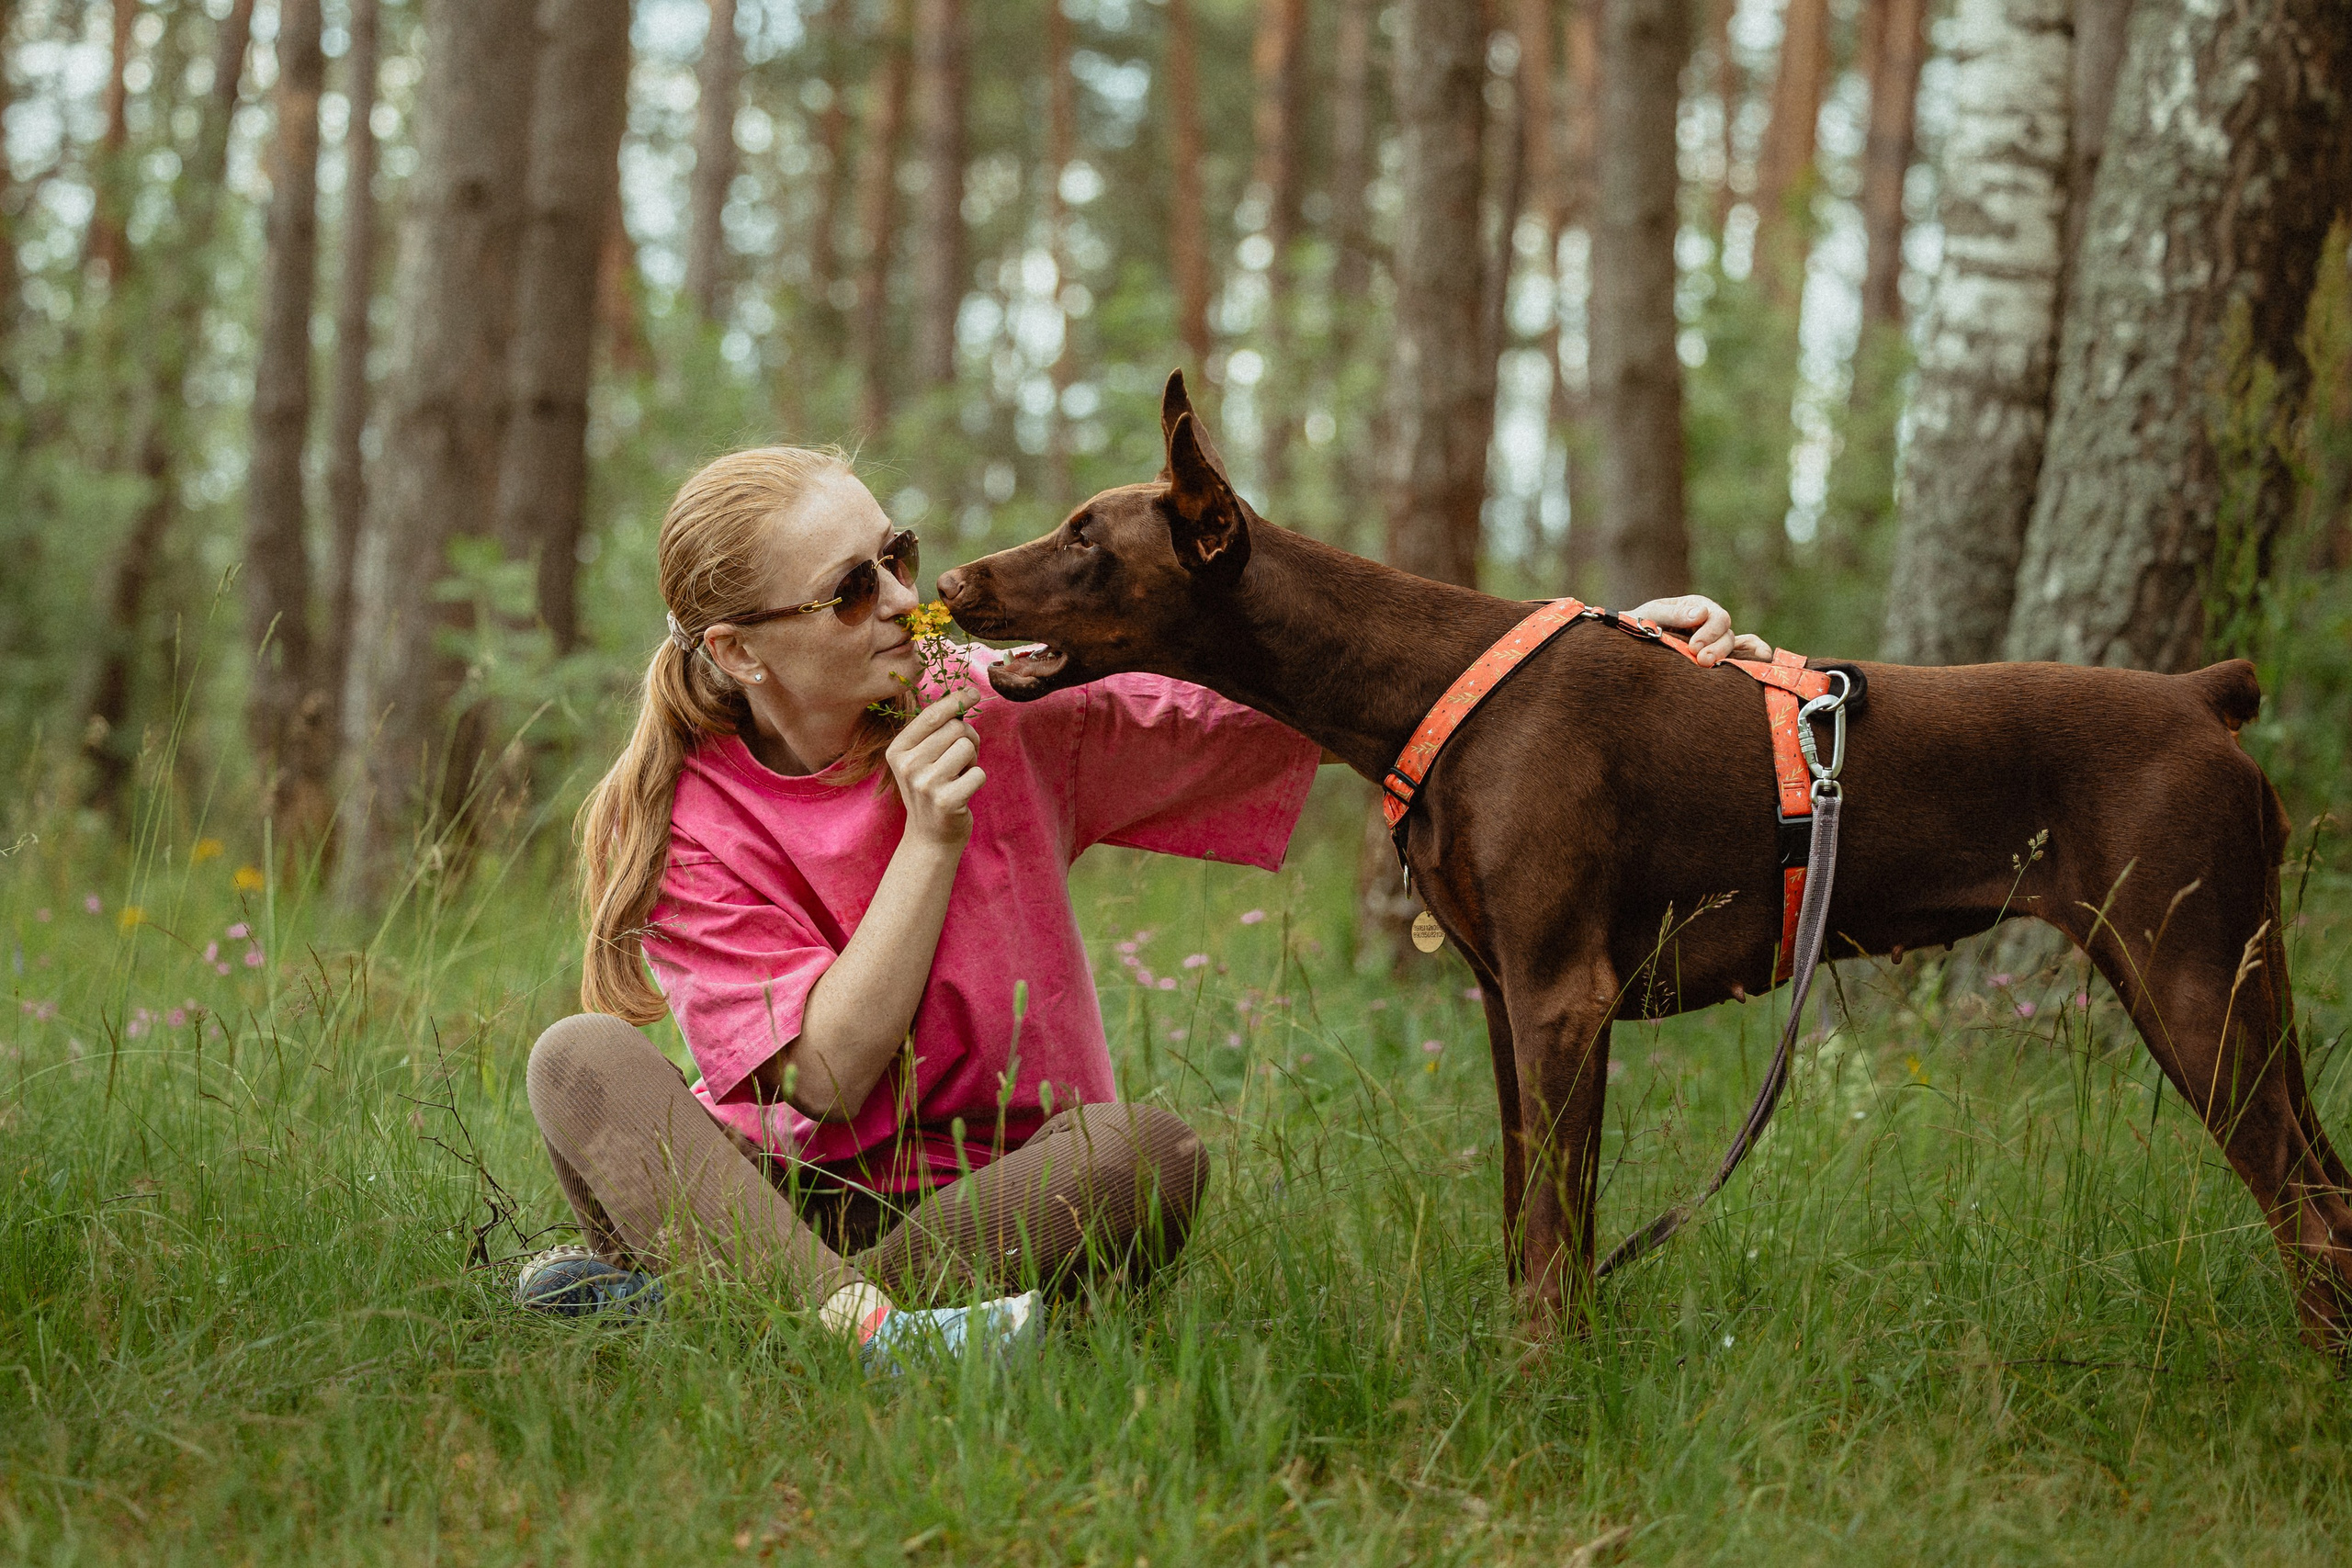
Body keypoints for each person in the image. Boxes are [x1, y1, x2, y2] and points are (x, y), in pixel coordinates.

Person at [517, 445, 1762, 1369]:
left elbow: (1329, 689)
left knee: (1147, 1152)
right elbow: (828, 1082)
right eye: (852, 589)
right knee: (579, 1062)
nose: (905, 598)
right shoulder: (686, 821)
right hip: (787, 1195)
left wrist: (1595, 646)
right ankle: (872, 1338)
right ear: (741, 652)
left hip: (1007, 1205)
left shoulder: (1003, 709)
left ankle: (744, 1318)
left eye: (896, 556)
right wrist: (931, 838)